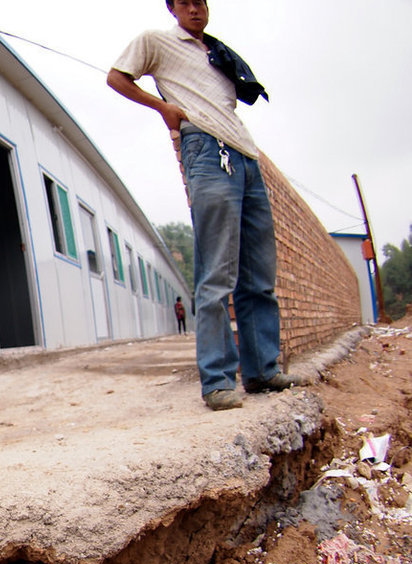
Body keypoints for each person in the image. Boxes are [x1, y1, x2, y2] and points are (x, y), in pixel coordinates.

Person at [107, 0, 300, 411]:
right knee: (217, 273)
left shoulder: (216, 50)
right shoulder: (156, 41)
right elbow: (116, 78)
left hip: (245, 157)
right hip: (208, 152)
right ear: (173, 9)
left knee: (258, 275)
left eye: (201, 2)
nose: (195, 9)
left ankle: (263, 371)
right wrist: (163, 108)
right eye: (186, 3)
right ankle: (217, 381)